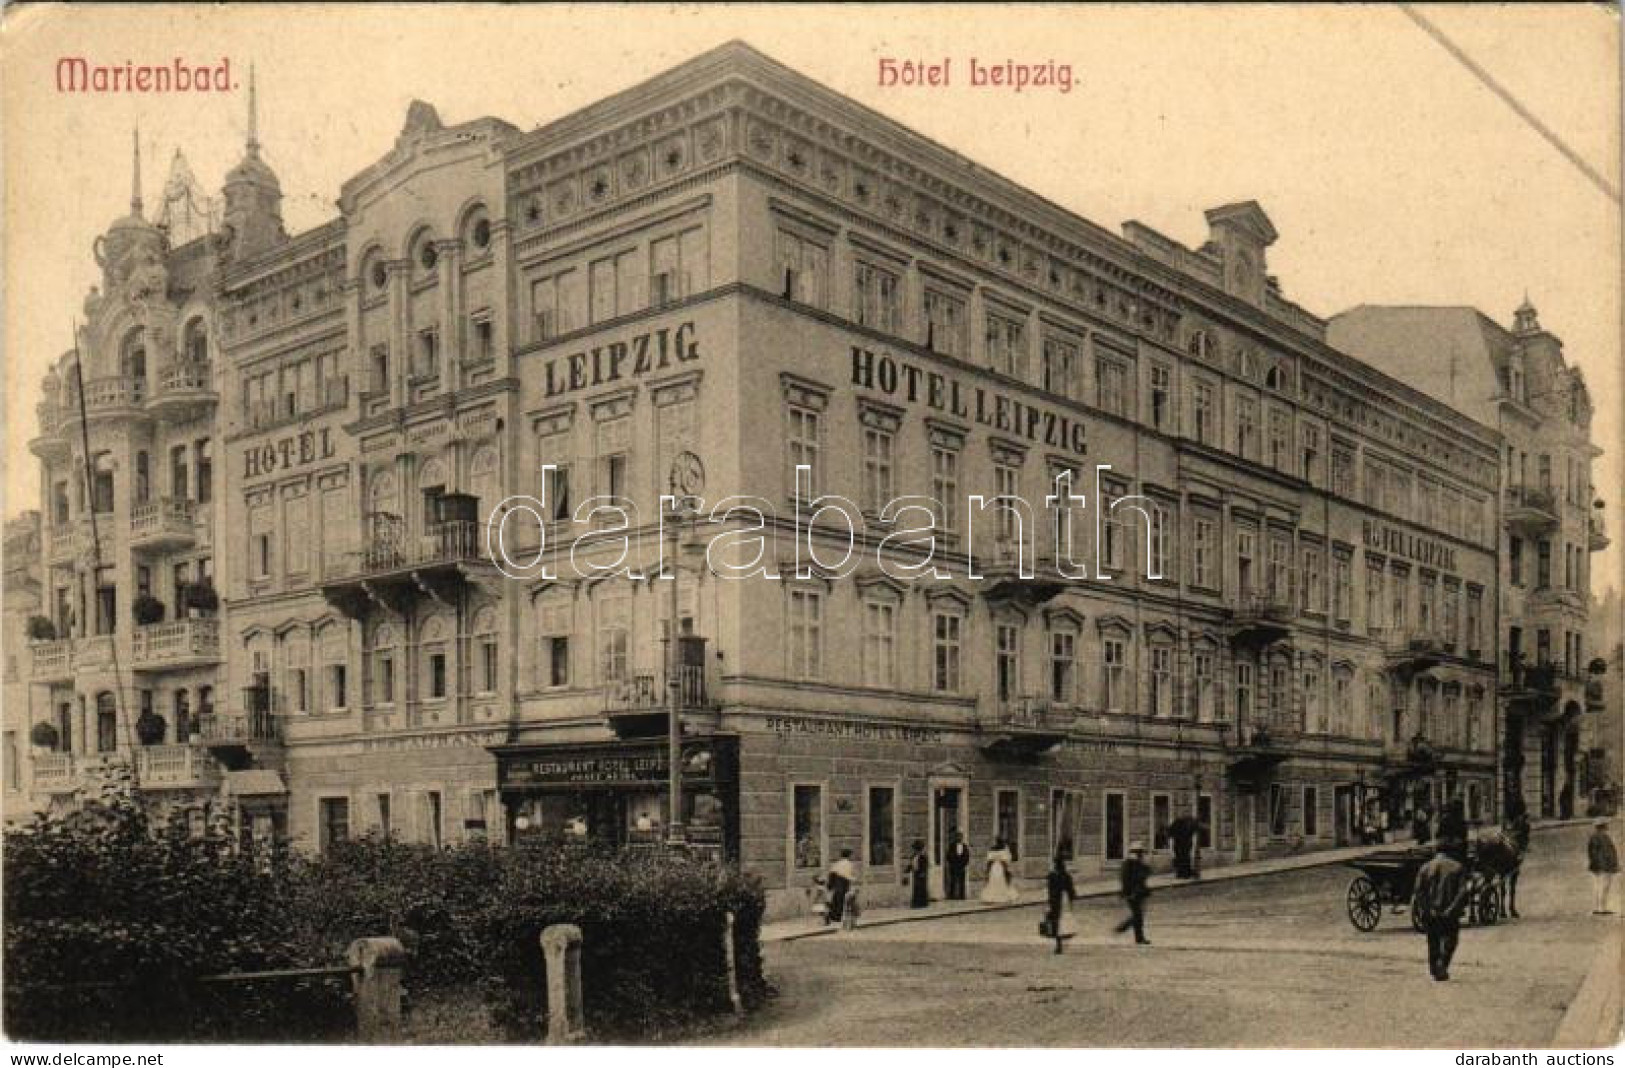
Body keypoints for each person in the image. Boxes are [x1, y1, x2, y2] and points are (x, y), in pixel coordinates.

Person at [1412, 839, 1469, 980]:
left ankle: (1434, 968)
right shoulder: (1457, 867)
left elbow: (1418, 892)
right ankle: (1442, 965)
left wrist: (1426, 909)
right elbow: (1463, 891)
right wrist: (1451, 909)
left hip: (1431, 912)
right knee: (1451, 940)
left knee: (1433, 941)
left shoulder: (1425, 868)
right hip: (1449, 913)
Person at [1114, 842, 1152, 945]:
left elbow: (1147, 873)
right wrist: (1128, 892)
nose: (1141, 854)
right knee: (1138, 915)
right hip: (1132, 893)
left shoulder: (1139, 863)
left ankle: (1127, 930)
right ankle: (1137, 936)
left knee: (1139, 915)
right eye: (1139, 852)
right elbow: (1126, 879)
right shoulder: (1128, 864)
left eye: (1141, 852)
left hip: (1140, 892)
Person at [1044, 855, 1078, 954]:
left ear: (1055, 864)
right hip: (1064, 900)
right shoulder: (1066, 875)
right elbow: (1071, 889)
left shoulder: (1052, 876)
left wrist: (1049, 902)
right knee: (1063, 921)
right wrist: (1072, 899)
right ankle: (1062, 940)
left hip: (1055, 901)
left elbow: (1050, 891)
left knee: (1056, 922)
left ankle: (1058, 944)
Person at [1588, 819, 1618, 915]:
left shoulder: (1594, 837)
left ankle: (1599, 907)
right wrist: (1613, 864)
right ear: (1603, 826)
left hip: (1598, 865)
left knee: (1599, 886)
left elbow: (1591, 852)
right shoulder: (1604, 837)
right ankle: (1602, 908)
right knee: (1604, 887)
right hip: (1604, 865)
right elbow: (1608, 853)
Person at [980, 837, 1020, 904]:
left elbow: (989, 861)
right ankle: (1002, 896)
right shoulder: (1003, 849)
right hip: (1000, 867)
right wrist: (1006, 869)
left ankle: (991, 897)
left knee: (993, 881)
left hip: (994, 867)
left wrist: (988, 870)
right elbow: (1005, 861)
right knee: (1001, 880)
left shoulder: (992, 849)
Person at [1167, 813, 1200, 879]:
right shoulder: (1191, 824)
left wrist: (1171, 850)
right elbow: (1194, 837)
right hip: (1185, 846)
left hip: (1180, 846)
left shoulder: (1176, 824)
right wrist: (1194, 847)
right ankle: (1186, 873)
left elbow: (1171, 838)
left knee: (1181, 859)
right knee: (1186, 859)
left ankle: (1182, 873)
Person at [827, 848, 856, 923]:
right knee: (843, 900)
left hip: (836, 883)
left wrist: (830, 885)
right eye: (851, 855)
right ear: (849, 855)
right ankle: (838, 917)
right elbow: (848, 875)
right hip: (843, 883)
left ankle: (833, 916)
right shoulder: (849, 864)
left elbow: (832, 874)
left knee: (835, 900)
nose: (852, 857)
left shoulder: (837, 863)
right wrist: (853, 880)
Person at [944, 830, 971, 901]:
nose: (959, 838)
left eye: (960, 837)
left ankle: (962, 895)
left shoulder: (965, 846)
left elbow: (967, 856)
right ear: (955, 837)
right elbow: (948, 856)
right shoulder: (952, 846)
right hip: (954, 866)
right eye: (957, 837)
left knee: (962, 881)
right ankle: (952, 895)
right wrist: (952, 863)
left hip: (961, 866)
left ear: (962, 838)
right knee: (953, 880)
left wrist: (963, 864)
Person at [907, 839, 930, 908]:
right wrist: (907, 870)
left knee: (922, 888)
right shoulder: (913, 856)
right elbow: (911, 865)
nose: (916, 851)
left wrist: (923, 873)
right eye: (915, 849)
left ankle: (922, 903)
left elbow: (925, 866)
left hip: (921, 874)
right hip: (915, 873)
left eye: (917, 849)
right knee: (916, 888)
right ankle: (916, 903)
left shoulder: (923, 857)